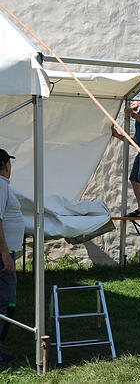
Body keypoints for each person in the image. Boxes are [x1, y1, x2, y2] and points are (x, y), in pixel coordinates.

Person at [0, 149, 22, 365]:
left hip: (6, 252)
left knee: (7, 300)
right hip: (2, 255)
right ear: (6, 165)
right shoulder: (0, 185)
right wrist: (5, 254)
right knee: (5, 301)